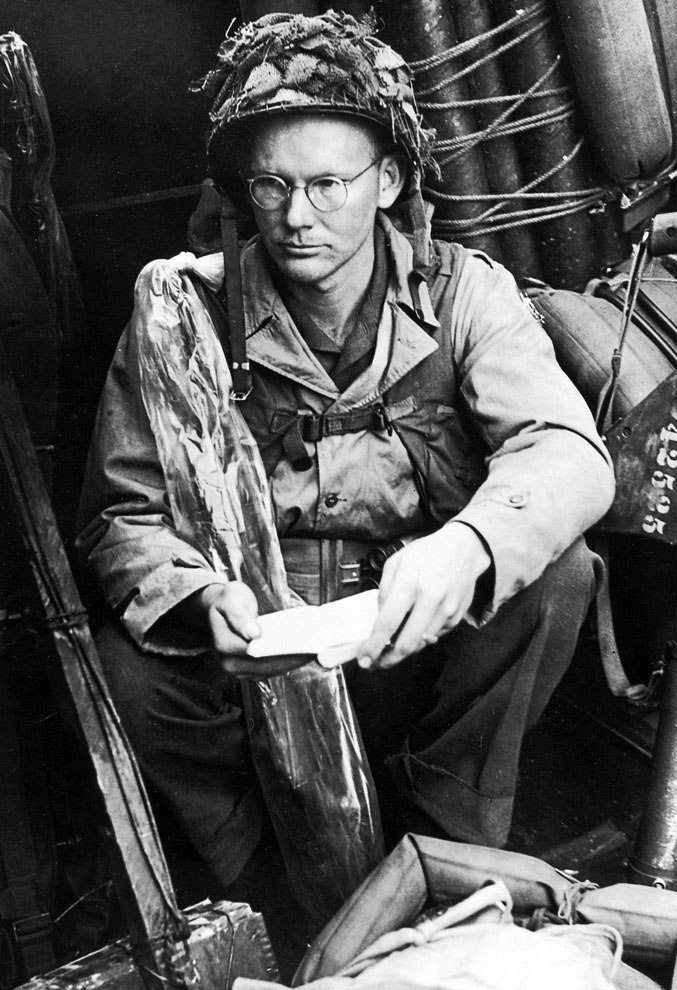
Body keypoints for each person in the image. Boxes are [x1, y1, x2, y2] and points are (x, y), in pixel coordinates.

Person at [76, 11, 615, 903]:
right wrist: (199, 597)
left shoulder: (463, 293)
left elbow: (566, 449)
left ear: (390, 180)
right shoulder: (184, 316)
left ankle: (443, 858)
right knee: (126, 667)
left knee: (563, 575)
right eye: (271, 187)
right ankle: (274, 891)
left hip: (415, 639)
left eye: (329, 184)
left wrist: (466, 548)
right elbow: (119, 514)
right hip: (259, 659)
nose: (297, 217)